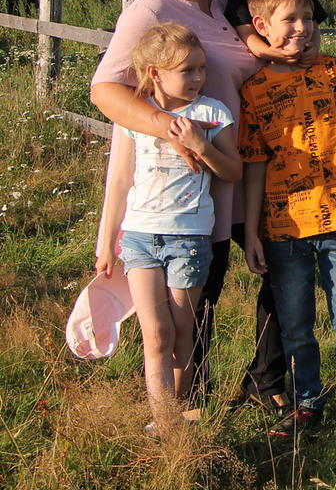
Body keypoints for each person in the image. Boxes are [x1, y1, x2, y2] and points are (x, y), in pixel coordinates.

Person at [90, 0, 291, 415]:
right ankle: (182, 414)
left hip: (243, 169)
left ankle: (264, 384)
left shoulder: (223, 4)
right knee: (195, 306)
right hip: (193, 188)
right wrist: (172, 131)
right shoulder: (150, 11)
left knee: (280, 278)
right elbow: (105, 91)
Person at [238, 0, 336, 442]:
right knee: (296, 324)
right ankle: (307, 403)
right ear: (261, 27)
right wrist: (255, 230)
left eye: (310, 18)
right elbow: (254, 165)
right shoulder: (253, 90)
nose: (304, 28)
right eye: (291, 20)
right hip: (282, 228)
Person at [94, 24, 242, 434]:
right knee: (154, 333)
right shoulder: (135, 115)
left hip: (190, 241)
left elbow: (233, 170)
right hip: (139, 237)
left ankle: (185, 414)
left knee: (181, 330)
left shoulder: (213, 114)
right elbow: (120, 179)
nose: (198, 78)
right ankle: (163, 424)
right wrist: (107, 241)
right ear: (156, 73)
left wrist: (202, 146)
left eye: (201, 69)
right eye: (187, 70)